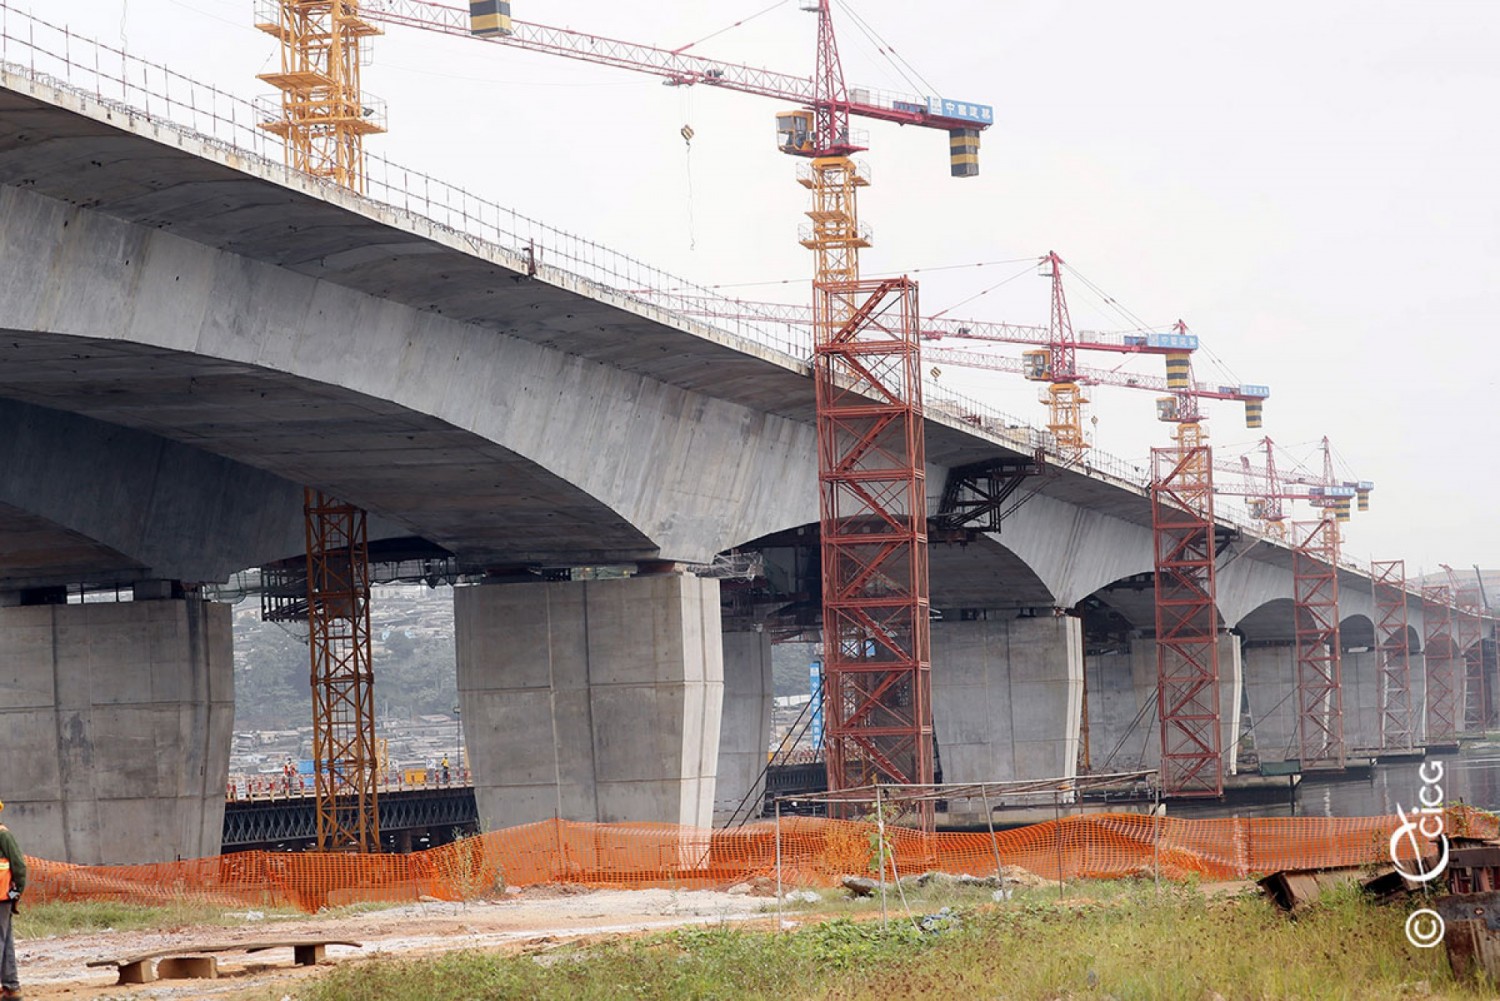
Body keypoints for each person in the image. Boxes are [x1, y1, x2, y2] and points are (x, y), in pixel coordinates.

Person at [0, 799, 27, 1000]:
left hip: (3, 896)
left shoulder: (3, 835)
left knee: (4, 938)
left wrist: (14, 894)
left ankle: (11, 986)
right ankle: (12, 987)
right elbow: (19, 866)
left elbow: (18, 867)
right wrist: (16, 893)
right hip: (3, 895)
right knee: (4, 938)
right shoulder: (3, 834)